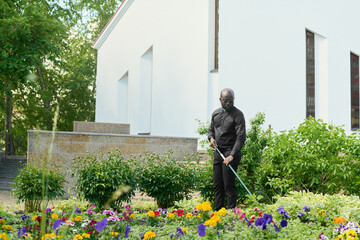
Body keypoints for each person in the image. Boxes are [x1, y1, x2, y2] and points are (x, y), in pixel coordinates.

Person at [208, 88, 246, 210]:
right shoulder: (215, 113)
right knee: (217, 184)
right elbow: (211, 131)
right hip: (218, 152)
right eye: (225, 101)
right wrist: (211, 139)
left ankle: (230, 214)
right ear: (220, 100)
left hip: (231, 151)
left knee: (228, 185)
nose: (228, 103)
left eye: (230, 101)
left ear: (234, 100)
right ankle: (218, 212)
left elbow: (241, 137)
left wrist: (232, 155)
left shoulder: (238, 115)